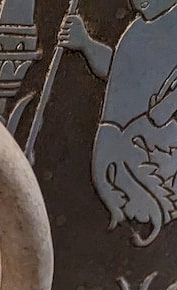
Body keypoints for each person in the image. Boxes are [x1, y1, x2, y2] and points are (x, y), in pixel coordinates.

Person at [59, 0, 177, 239]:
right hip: (117, 148)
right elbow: (120, 73)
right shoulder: (139, 28)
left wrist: (161, 112)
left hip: (144, 151)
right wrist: (86, 44)